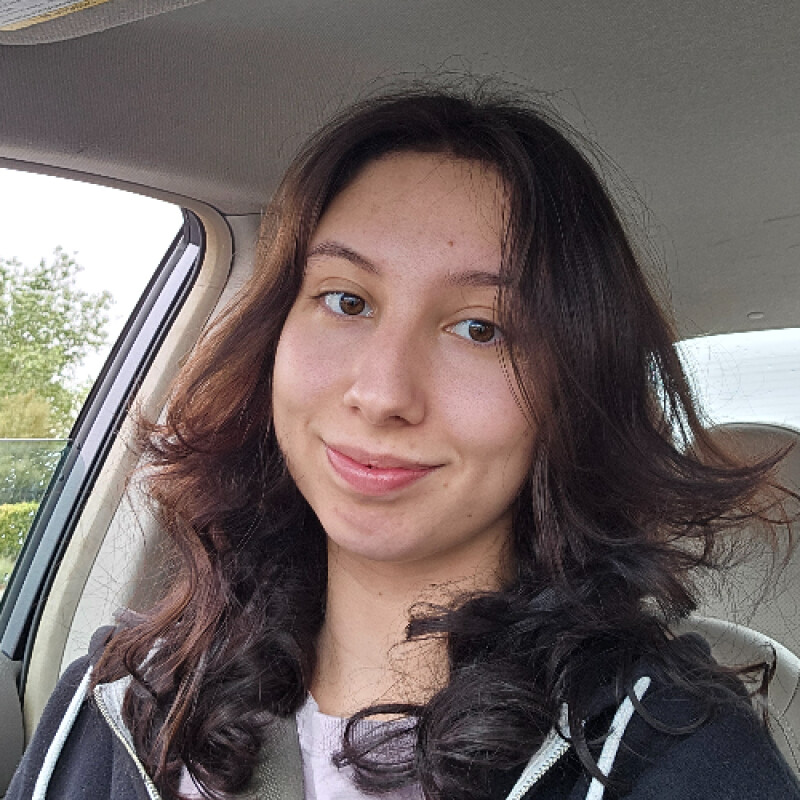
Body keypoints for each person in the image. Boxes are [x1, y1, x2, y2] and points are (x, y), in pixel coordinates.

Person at [8, 85, 800, 800]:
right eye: (346, 301)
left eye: (480, 328)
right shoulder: (120, 701)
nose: (383, 392)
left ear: (572, 395)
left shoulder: (676, 756)